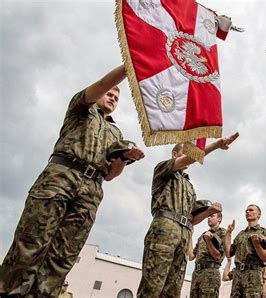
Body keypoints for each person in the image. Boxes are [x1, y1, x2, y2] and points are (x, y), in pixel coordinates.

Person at [0, 65, 145, 296]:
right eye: (110, 93)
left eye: (117, 97)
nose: (113, 98)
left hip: (91, 191)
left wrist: (124, 158)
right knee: (30, 245)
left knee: (63, 257)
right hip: (60, 178)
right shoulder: (81, 109)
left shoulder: (116, 134)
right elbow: (100, 85)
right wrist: (131, 65)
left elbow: (110, 175)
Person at [137, 133, 239, 297]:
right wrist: (215, 145)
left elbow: (192, 218)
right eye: (187, 152)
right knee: (152, 286)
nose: (191, 156)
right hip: (164, 230)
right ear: (175, 155)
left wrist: (208, 212)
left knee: (172, 289)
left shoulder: (190, 187)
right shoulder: (163, 170)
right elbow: (190, 159)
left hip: (183, 234)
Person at [225, 205, 266, 297]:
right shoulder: (241, 234)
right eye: (246, 211)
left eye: (251, 210)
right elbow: (228, 253)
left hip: (253, 275)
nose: (247, 212)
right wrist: (228, 234)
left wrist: (257, 244)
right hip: (238, 274)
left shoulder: (265, 233)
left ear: (258, 215)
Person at [188, 210, 227, 297]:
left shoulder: (223, 233)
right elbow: (191, 256)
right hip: (197, 273)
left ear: (219, 219)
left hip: (210, 274)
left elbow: (218, 256)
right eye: (208, 216)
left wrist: (208, 240)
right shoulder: (202, 236)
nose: (208, 218)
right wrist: (190, 235)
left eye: (212, 216)